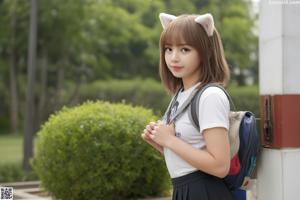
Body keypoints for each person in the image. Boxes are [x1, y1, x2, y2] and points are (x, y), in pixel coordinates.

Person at [141, 13, 233, 200]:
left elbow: (220, 166)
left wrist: (169, 141)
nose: (174, 58)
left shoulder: (210, 96)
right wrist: (160, 143)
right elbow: (190, 157)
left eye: (185, 49)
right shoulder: (181, 94)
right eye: (168, 49)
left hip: (204, 190)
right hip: (184, 189)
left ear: (205, 50)